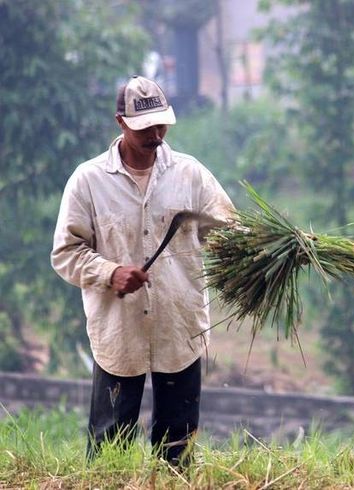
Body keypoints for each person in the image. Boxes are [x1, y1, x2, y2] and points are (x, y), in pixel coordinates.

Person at [51, 75, 234, 465]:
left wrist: (272, 246)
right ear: (120, 122)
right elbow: (65, 253)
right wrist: (110, 273)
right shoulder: (89, 180)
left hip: (179, 327)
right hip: (118, 332)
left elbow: (227, 232)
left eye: (161, 123)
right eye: (144, 127)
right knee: (108, 450)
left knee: (178, 450)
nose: (156, 133)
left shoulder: (190, 174)